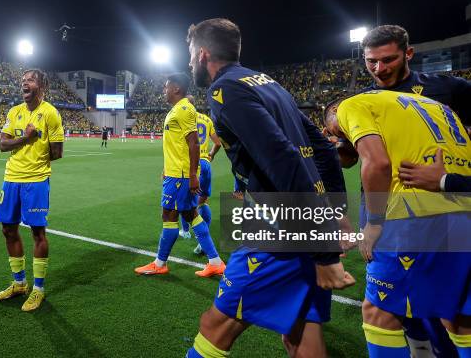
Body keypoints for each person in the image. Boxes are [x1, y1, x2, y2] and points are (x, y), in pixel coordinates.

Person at [186, 18, 354, 358]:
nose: (189, 62)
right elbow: (323, 149)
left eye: (190, 53)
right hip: (307, 218)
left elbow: (283, 159)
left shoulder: (225, 90)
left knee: (214, 326)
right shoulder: (268, 83)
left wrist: (323, 249)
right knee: (302, 335)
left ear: (203, 54)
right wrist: (334, 213)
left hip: (279, 226)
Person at [324, 90, 471, 358]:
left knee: (380, 313)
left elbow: (377, 162)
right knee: (460, 319)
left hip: (414, 217)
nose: (338, 136)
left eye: (335, 130)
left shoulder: (350, 106)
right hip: (464, 212)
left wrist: (374, 224)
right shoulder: (436, 105)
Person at [356, 24, 471, 357]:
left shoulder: (449, 89)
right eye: (371, 62)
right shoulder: (366, 100)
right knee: (405, 311)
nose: (379, 69)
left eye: (388, 59)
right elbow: (355, 159)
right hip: (387, 213)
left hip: (438, 214)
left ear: (408, 53)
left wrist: (450, 177)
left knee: (447, 312)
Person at [134, 73, 225, 278]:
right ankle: (215, 262)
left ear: (176, 88)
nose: (164, 90)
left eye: (166, 86)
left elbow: (194, 142)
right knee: (190, 214)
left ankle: (160, 263)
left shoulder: (184, 109)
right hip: (177, 173)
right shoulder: (179, 109)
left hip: (181, 176)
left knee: (169, 215)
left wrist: (193, 175)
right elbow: (178, 145)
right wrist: (167, 169)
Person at [0, 69, 64, 312]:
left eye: (30, 80)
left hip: (36, 180)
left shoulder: (51, 114)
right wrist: (26, 139)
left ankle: (38, 289)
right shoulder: (14, 112)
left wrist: (35, 159)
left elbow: (57, 152)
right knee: (8, 229)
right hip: (11, 178)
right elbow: (2, 144)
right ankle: (19, 283)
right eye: (23, 80)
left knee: (38, 232)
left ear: (42, 86)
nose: (24, 83)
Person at [179, 95, 221, 254]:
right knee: (202, 203)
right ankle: (202, 242)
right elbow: (218, 143)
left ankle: (186, 231)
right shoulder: (207, 119)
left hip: (192, 165)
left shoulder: (185, 117)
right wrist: (211, 155)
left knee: (187, 203)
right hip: (205, 164)